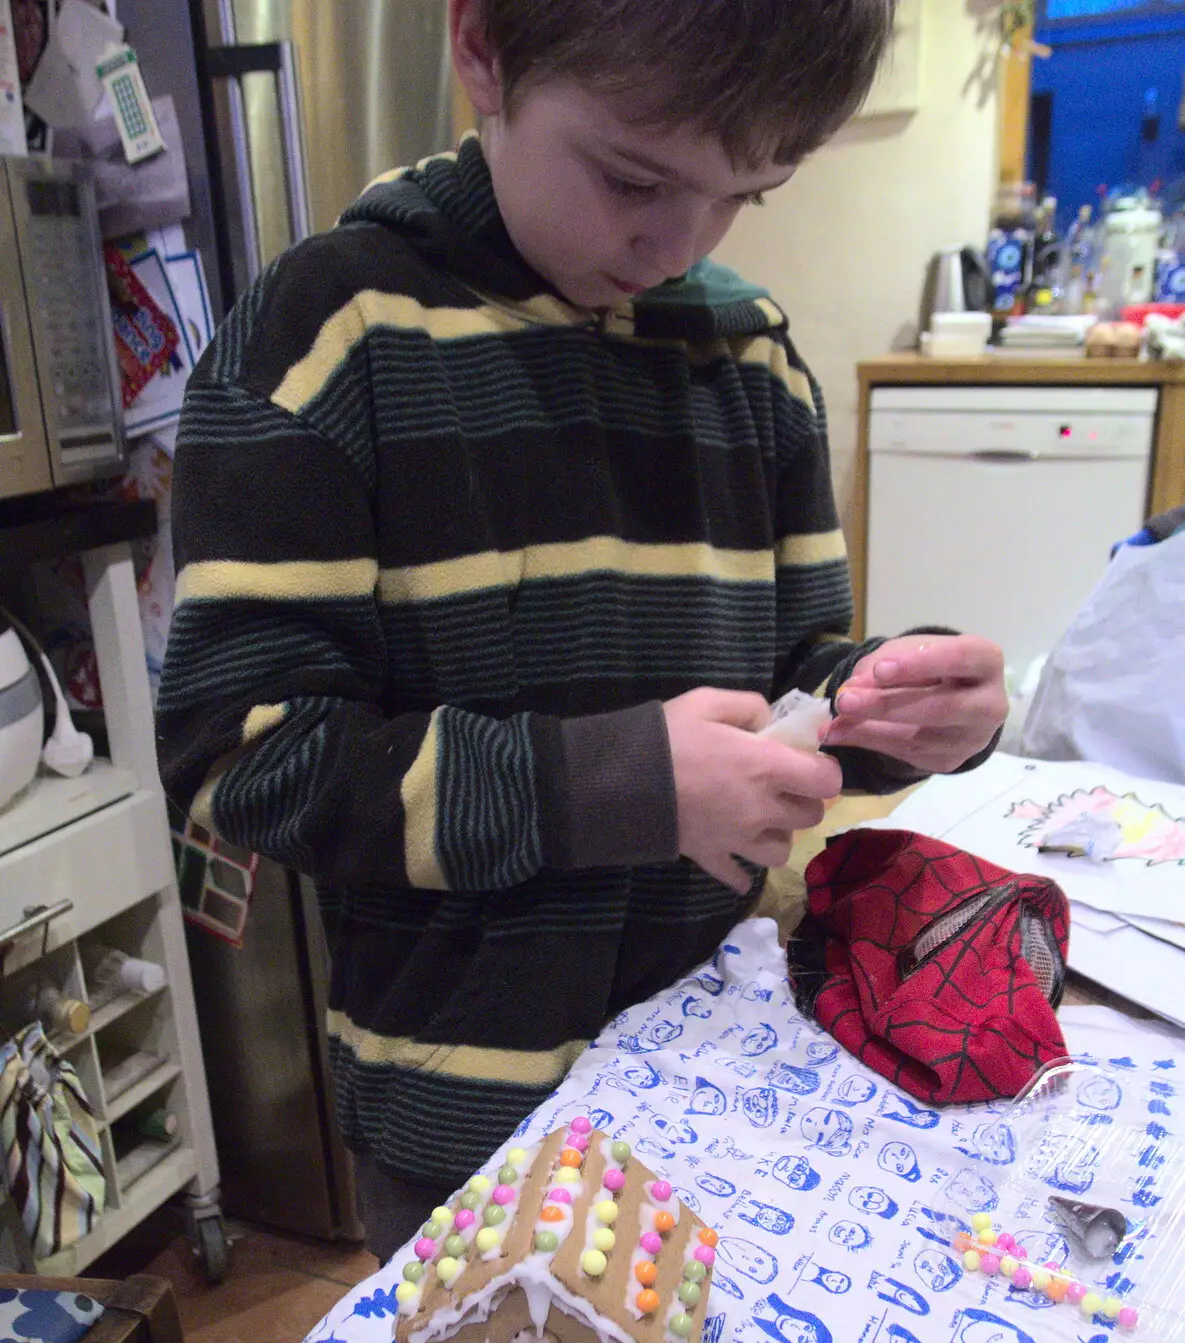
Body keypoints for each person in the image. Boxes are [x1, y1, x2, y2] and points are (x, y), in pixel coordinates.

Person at [157, 0, 1007, 1256]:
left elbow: (793, 678)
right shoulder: (324, 344)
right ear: (484, 47)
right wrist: (621, 785)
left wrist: (888, 705)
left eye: (743, 196)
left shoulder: (751, 366)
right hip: (465, 1129)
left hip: (719, 1076)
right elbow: (245, 767)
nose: (679, 242)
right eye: (631, 176)